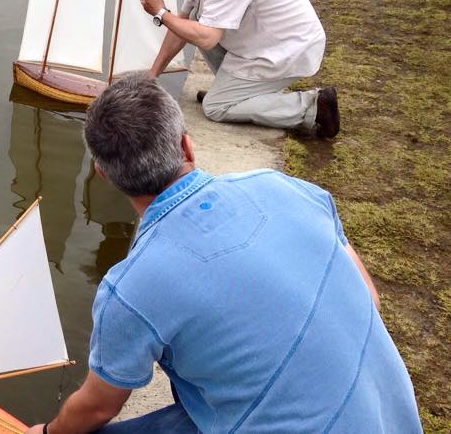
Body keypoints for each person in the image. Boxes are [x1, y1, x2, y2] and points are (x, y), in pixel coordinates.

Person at [26, 74, 420, 433]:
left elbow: (97, 407)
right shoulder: (283, 186)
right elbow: (369, 297)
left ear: (104, 175)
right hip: (394, 417)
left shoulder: (130, 288)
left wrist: (46, 432)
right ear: (186, 144)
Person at [137, 0, 340, 138]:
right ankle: (233, 93)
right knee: (194, 18)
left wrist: (161, 13)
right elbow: (181, 26)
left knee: (215, 108)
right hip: (265, 41)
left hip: (290, 48)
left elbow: (207, 38)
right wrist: (152, 76)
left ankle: (314, 106)